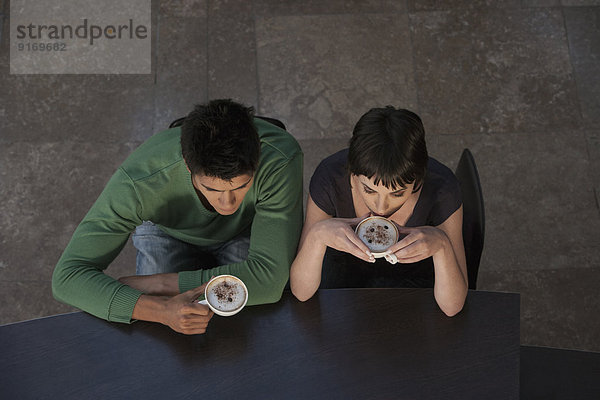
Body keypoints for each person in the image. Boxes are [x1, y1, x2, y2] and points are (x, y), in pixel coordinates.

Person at [52, 99, 303, 334]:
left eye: (240, 186)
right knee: (157, 333)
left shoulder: (280, 158)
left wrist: (161, 285)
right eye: (212, 189)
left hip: (246, 228)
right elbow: (67, 277)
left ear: (258, 156)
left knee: (251, 326)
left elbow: (269, 282)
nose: (227, 203)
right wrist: (161, 309)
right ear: (187, 164)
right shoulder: (140, 181)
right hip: (167, 231)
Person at [289, 107, 467, 316]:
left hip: (415, 288)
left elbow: (452, 307)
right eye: (369, 190)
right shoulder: (330, 179)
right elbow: (301, 292)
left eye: (398, 194)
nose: (381, 208)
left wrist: (443, 246)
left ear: (419, 179)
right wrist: (316, 236)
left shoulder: (442, 190)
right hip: (343, 281)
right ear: (352, 172)